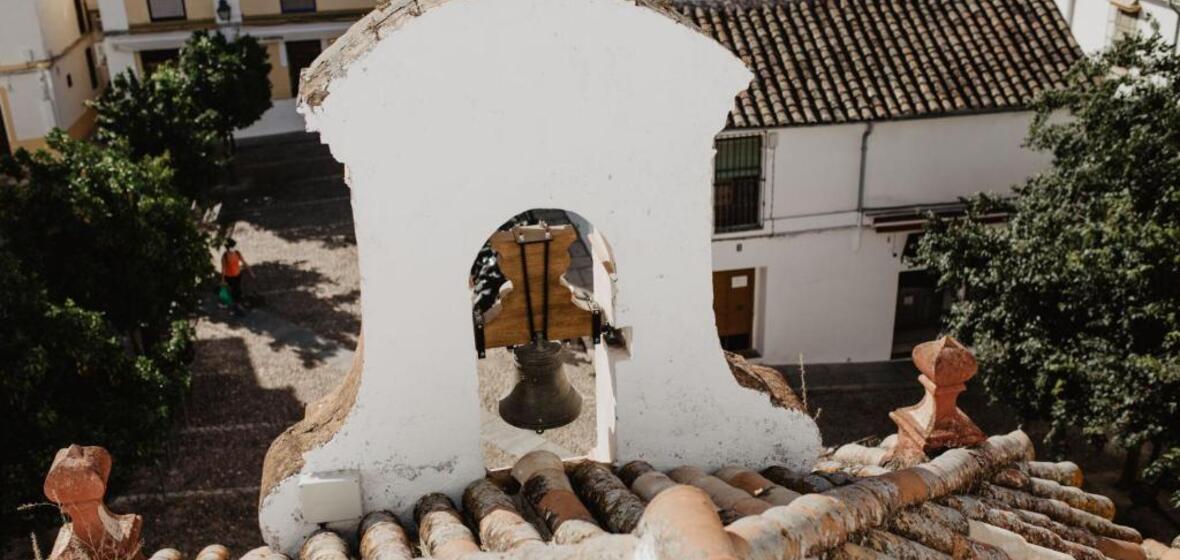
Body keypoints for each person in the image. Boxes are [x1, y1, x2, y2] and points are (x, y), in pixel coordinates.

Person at [221, 238, 253, 309]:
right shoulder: (224, 257)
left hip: (238, 275)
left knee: (237, 289)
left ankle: (237, 303)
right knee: (233, 290)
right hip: (229, 277)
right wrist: (222, 280)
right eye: (232, 246)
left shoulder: (237, 253)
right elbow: (223, 269)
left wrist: (250, 272)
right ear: (228, 248)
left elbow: (244, 262)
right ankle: (236, 304)